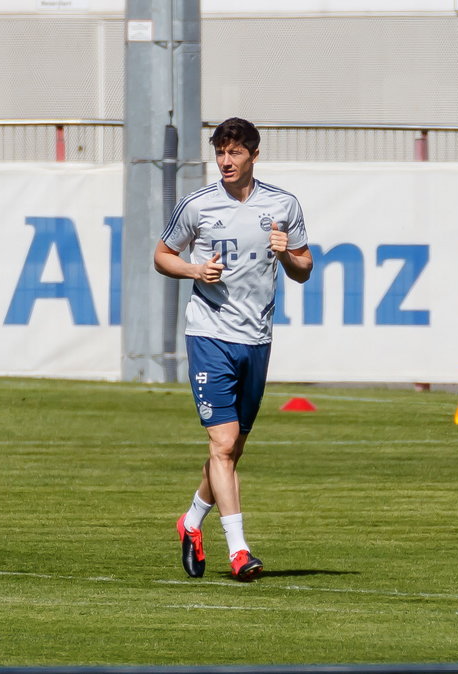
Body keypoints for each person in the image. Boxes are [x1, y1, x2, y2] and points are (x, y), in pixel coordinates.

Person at [154, 117, 313, 581]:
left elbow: (304, 268)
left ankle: (190, 521)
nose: (225, 160)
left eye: (235, 152)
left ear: (253, 156)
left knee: (233, 448)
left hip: (256, 339)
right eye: (220, 152)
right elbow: (162, 254)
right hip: (209, 335)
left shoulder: (282, 204)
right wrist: (194, 271)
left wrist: (286, 253)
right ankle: (239, 551)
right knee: (222, 443)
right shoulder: (197, 205)